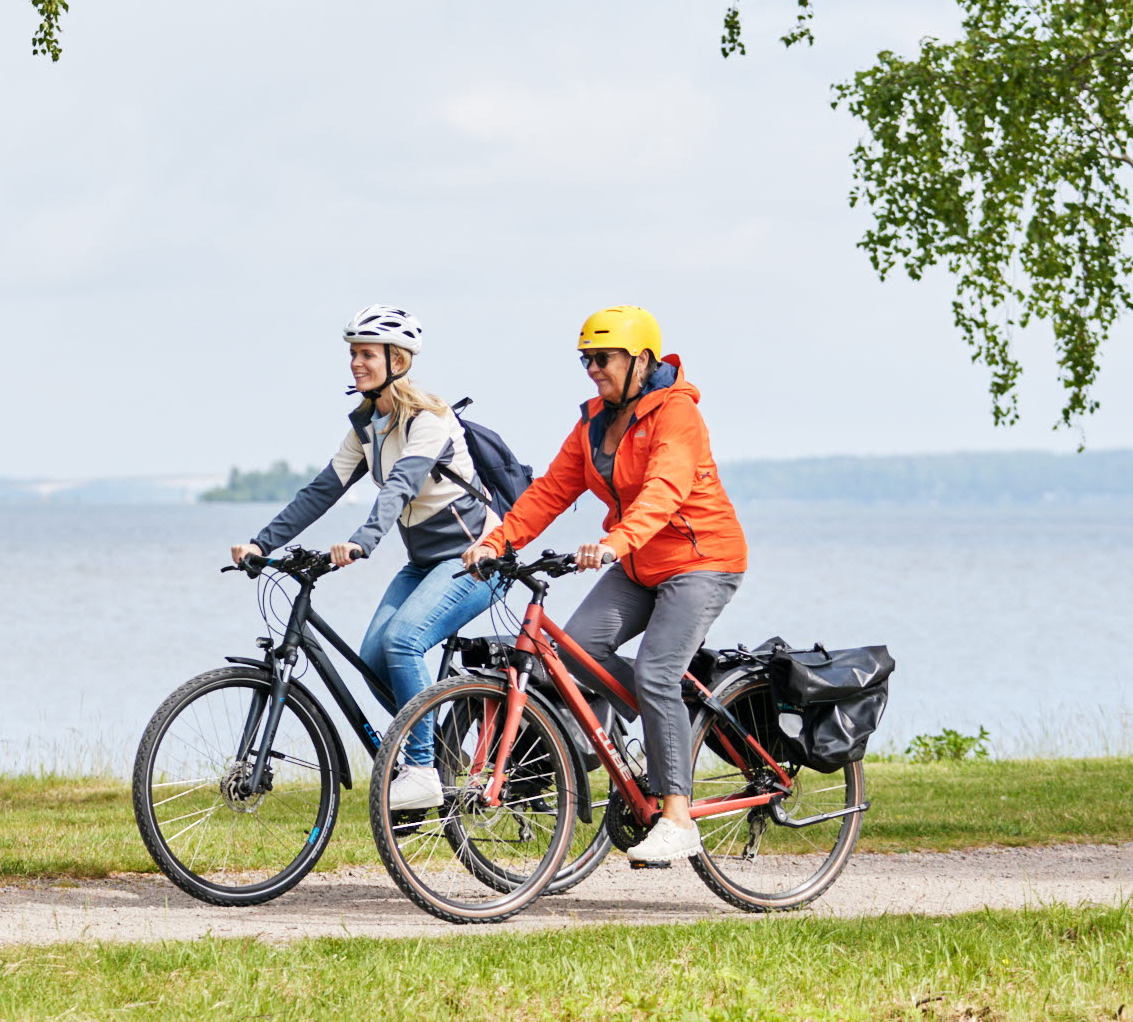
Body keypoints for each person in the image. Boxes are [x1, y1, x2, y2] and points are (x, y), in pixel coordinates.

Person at [462, 305, 747, 863]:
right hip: (639, 563)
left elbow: (664, 491)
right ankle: (673, 719)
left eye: (603, 358)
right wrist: (498, 541)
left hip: (701, 559)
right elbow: (550, 491)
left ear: (641, 360)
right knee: (575, 652)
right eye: (586, 360)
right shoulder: (594, 421)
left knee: (657, 671)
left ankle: (678, 817)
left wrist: (616, 542)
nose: (593, 369)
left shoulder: (677, 414)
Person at [230, 306, 499, 810]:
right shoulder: (367, 428)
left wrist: (362, 541)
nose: (356, 363)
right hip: (425, 563)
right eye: (353, 353)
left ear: (398, 360)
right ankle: (440, 753)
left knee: (403, 641)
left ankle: (420, 769)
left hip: (475, 560)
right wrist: (262, 543)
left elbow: (400, 487)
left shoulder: (430, 421)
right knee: (374, 658)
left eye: (367, 354)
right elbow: (320, 491)